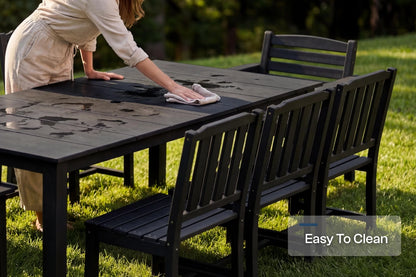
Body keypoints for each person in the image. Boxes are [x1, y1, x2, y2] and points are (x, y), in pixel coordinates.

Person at [4, 0, 204, 232]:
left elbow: (89, 25)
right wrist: (173, 86)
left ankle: (52, 203)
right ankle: (44, 217)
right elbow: (127, 49)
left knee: (56, 132)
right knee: (35, 136)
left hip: (59, 48)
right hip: (33, 48)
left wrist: (88, 68)